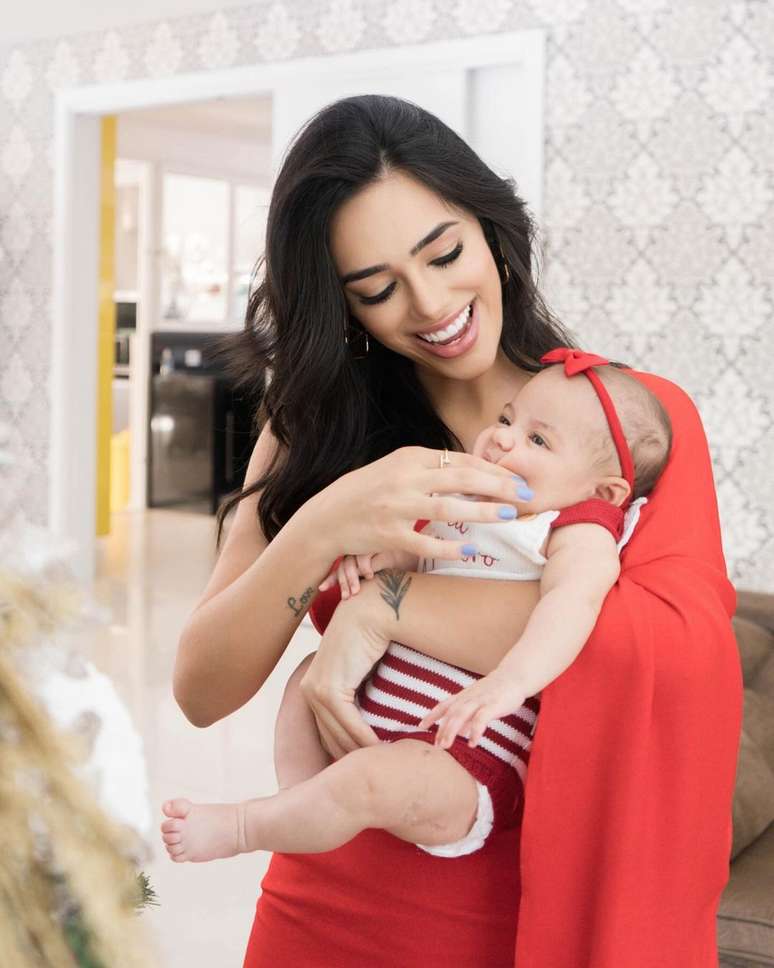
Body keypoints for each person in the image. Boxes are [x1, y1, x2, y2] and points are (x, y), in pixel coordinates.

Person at [168, 94, 742, 968]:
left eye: (445, 254)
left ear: (491, 227)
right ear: (341, 304)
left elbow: (662, 654)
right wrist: (325, 522)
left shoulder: (628, 426)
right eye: (378, 289)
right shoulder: (312, 430)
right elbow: (201, 690)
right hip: (320, 904)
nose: (431, 304)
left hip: (512, 911)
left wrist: (385, 608)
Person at [160, 351, 672, 862]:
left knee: (370, 781)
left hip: (466, 750)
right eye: (507, 419)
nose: (503, 438)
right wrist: (375, 557)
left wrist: (509, 682)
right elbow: (424, 548)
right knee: (305, 677)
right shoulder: (471, 495)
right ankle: (301, 807)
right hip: (381, 707)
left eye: (537, 440)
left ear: (604, 490)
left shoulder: (575, 528)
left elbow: (573, 604)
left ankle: (248, 826)